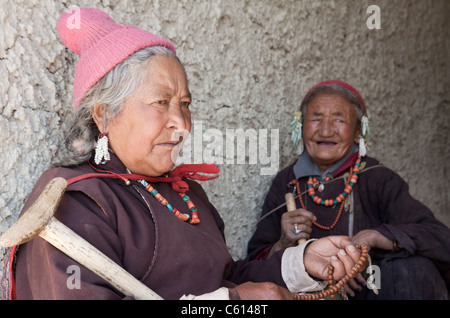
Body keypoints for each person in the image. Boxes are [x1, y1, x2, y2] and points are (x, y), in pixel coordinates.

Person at [3, 9, 363, 300]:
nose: (181, 124)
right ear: (104, 114)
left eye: (185, 104)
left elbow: (225, 277)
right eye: (161, 102)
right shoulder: (73, 201)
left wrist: (300, 263)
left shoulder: (187, 194)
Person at [246, 80, 450, 299]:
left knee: (412, 270)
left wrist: (376, 236)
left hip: (371, 289)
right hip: (311, 295)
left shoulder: (377, 177)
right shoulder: (287, 182)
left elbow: (439, 238)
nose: (325, 130)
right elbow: (253, 266)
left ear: (358, 131)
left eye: (338, 119)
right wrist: (283, 244)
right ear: (301, 127)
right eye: (316, 119)